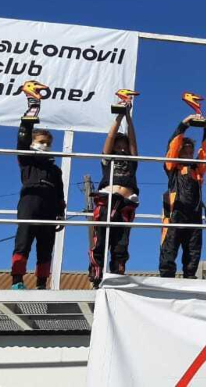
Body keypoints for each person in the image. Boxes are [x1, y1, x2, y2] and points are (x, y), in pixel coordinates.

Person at [11, 118, 65, 290]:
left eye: (48, 143)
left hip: (49, 207)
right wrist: (27, 124)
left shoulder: (55, 170)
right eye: (41, 142)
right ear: (32, 143)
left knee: (46, 247)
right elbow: (22, 141)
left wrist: (61, 213)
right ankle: (17, 280)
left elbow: (60, 192)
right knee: (23, 242)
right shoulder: (27, 160)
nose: (45, 145)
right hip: (30, 202)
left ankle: (41, 283)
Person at [88, 111, 140, 288]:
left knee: (121, 243)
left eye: (124, 146)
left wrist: (128, 118)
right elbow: (110, 137)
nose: (122, 149)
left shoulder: (132, 160)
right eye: (118, 146)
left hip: (126, 204)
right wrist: (119, 117)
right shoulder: (107, 160)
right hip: (106, 201)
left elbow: (133, 141)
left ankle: (117, 275)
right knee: (101, 240)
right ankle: (97, 275)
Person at [159, 114, 206, 279]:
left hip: (194, 215)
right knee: (169, 247)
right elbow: (172, 147)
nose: (189, 155)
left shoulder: (197, 169)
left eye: (191, 152)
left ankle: (190, 277)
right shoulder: (172, 167)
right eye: (185, 152)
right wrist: (184, 125)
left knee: (193, 249)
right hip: (175, 213)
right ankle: (166, 279)